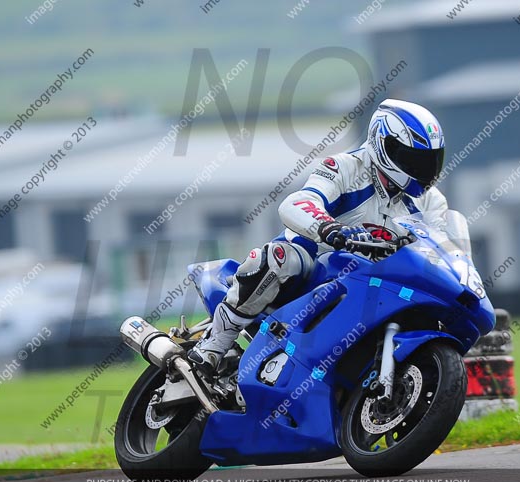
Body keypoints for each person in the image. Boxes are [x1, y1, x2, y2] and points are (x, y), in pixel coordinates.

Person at [188, 99, 452, 376]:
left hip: (379, 282)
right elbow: (298, 201)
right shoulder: (346, 168)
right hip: (318, 266)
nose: (423, 170)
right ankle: (214, 345)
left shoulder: (431, 203)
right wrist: (329, 228)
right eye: (414, 159)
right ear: (384, 144)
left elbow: (441, 250)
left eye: (430, 161)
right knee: (278, 258)